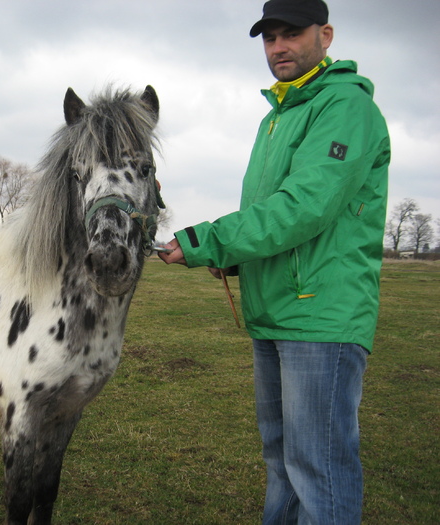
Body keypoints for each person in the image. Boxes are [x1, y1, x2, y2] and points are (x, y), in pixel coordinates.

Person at [159, 0, 390, 523]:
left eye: (291, 34)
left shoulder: (345, 107)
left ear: (325, 35)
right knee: (283, 463)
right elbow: (272, 217)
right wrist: (238, 261)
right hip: (277, 311)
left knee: (318, 467)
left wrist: (209, 241)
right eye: (269, 38)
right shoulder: (277, 117)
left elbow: (304, 208)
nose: (278, 47)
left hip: (320, 317)